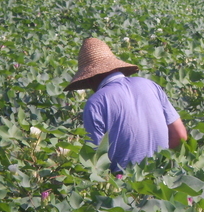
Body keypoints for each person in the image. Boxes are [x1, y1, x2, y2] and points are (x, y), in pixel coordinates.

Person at [64, 38, 187, 174]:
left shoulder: (95, 103)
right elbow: (180, 136)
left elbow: (96, 161)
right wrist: (157, 164)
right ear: (115, 67)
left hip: (124, 184)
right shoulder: (150, 85)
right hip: (162, 176)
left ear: (89, 78)